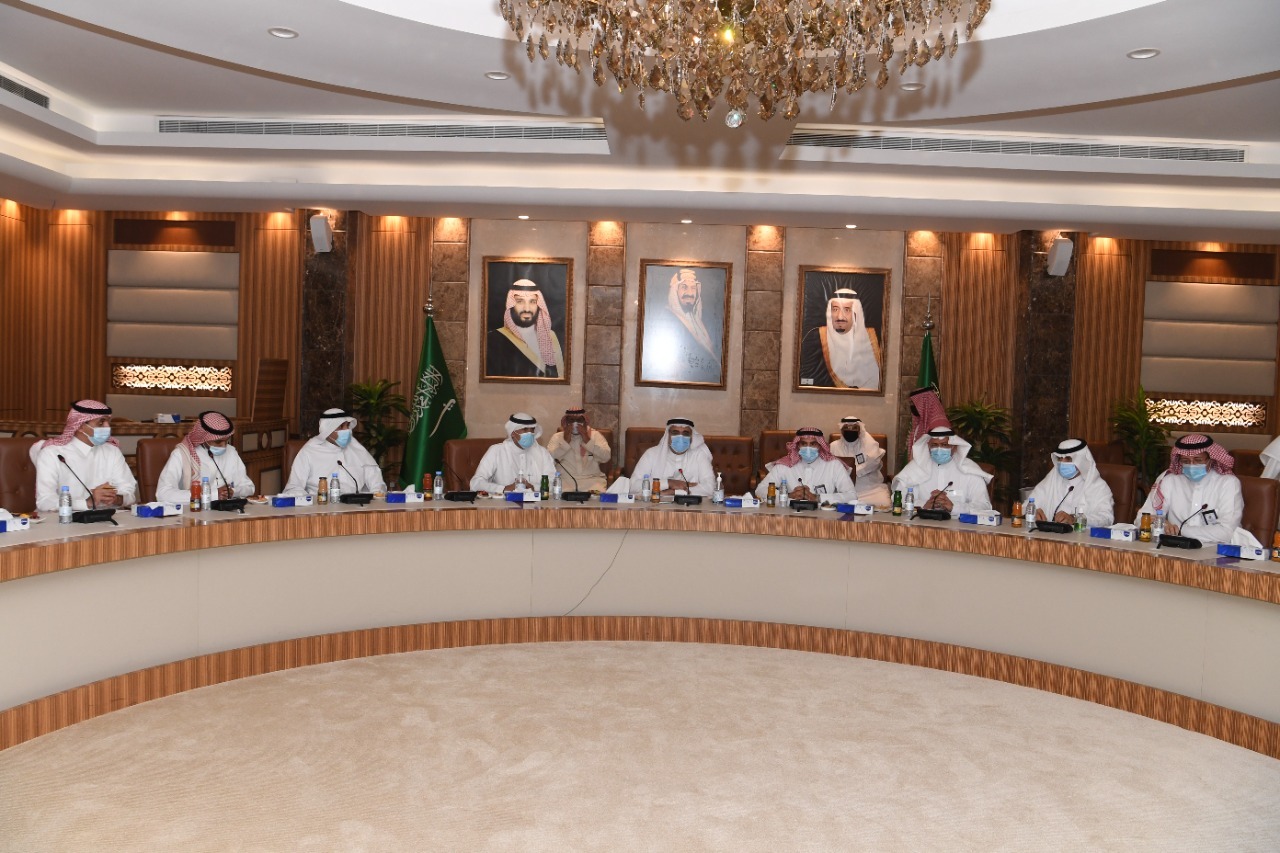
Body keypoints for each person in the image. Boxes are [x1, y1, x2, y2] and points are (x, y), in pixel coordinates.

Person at [1135, 434, 1244, 545]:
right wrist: (1160, 525)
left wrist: (1180, 530)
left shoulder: (1228, 483)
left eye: (1198, 460)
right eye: (1185, 461)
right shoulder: (1169, 480)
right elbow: (1141, 519)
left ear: (1210, 460)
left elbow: (1226, 532)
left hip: (1216, 549)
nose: (1192, 465)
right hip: (1174, 547)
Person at [33, 399, 137, 512]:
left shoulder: (112, 451)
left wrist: (116, 499)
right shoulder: (52, 454)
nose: (107, 427)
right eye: (101, 423)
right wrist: (88, 502)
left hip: (106, 518)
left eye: (108, 422)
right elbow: (45, 501)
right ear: (80, 426)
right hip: (65, 519)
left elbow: (129, 492)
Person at [641, 268, 722, 384]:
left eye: (693, 288)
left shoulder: (701, 319)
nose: (690, 293)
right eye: (684, 287)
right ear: (675, 291)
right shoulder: (667, 318)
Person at [155, 411, 255, 504]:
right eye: (218, 442)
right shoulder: (182, 454)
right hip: (194, 512)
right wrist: (213, 495)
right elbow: (162, 494)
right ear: (204, 438)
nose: (224, 446)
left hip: (228, 511)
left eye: (226, 440)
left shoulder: (231, 452)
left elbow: (249, 487)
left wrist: (233, 491)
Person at [283, 408, 387, 497]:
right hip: (320, 506)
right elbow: (294, 488)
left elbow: (377, 484)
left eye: (347, 426)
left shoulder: (356, 448)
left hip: (354, 506)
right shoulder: (309, 451)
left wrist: (377, 496)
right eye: (341, 427)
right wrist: (309, 502)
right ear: (328, 430)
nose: (347, 430)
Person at [891, 426, 992, 514]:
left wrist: (954, 507)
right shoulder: (915, 468)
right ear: (928, 446)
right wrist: (924, 505)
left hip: (957, 526)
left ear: (954, 447)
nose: (939, 449)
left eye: (944, 445)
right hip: (922, 523)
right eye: (934, 445)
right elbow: (897, 499)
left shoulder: (969, 469)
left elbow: (984, 506)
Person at [798, 287, 882, 389]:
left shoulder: (874, 337)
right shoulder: (815, 337)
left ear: (856, 313)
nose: (840, 317)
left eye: (847, 310)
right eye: (835, 309)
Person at [1026, 438, 1114, 527]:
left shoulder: (1098, 486)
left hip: (1081, 535)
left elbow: (1106, 519)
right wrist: (1033, 513)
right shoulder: (1051, 480)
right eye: (1060, 458)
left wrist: (1075, 519)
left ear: (1081, 461)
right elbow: (1026, 506)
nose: (1062, 463)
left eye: (1068, 458)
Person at [485, 279, 564, 378]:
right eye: (520, 301)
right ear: (511, 305)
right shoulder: (493, 340)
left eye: (532, 302)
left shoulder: (552, 337)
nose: (527, 308)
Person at [756, 427, 857, 504]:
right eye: (804, 444)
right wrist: (788, 495)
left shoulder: (834, 465)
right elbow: (760, 490)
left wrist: (818, 498)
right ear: (798, 445)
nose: (808, 448)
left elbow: (851, 495)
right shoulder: (785, 465)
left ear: (820, 446)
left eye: (813, 444)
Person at [471, 413, 558, 493]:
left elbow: (554, 483)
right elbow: (475, 483)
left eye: (532, 430)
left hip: (537, 504)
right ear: (512, 433)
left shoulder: (542, 453)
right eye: (525, 429)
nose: (530, 433)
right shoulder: (497, 451)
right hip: (503, 503)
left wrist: (534, 487)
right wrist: (503, 489)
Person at [630, 417, 715, 497]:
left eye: (685, 433)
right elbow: (633, 486)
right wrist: (669, 483)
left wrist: (674, 492)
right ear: (668, 435)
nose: (681, 437)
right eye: (675, 432)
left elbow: (711, 488)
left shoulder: (699, 455)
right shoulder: (651, 454)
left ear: (691, 437)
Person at [828, 416, 891, 506]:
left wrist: (855, 471)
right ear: (841, 430)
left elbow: (874, 463)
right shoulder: (833, 446)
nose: (850, 430)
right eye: (846, 428)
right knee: (829, 502)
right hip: (843, 490)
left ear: (860, 430)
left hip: (869, 488)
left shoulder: (869, 444)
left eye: (854, 428)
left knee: (884, 503)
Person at [546, 407, 611, 492]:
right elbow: (549, 461)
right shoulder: (557, 437)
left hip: (592, 481)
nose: (575, 423)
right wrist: (565, 442)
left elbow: (606, 457)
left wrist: (587, 440)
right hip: (565, 481)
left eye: (579, 420)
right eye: (571, 420)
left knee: (598, 498)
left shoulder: (595, 435)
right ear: (566, 422)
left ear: (585, 422)